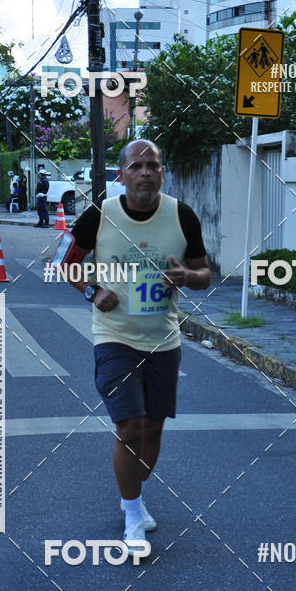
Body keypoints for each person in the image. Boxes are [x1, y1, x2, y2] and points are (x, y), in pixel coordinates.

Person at [66, 139, 211, 556]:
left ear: (162, 173)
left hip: (164, 340)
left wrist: (187, 275)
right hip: (114, 337)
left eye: (153, 165)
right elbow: (66, 262)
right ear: (122, 175)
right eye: (137, 165)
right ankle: (132, 515)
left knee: (152, 433)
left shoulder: (181, 214)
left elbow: (204, 273)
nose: (146, 171)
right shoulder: (99, 215)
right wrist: (93, 290)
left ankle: (135, 492)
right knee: (129, 427)